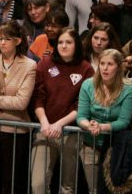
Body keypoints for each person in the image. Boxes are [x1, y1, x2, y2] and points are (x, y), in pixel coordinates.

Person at [30, 27, 94, 194]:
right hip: (44, 130)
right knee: (38, 184)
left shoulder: (86, 69)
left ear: (77, 45)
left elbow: (82, 105)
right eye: (60, 42)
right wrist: (45, 123)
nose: (63, 46)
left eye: (68, 42)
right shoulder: (44, 64)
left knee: (67, 186)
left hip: (71, 133)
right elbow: (38, 97)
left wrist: (59, 124)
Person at [0, 21, 36, 194]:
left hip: (15, 128)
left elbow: (21, 102)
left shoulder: (29, 65)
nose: (1, 42)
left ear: (18, 41)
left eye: (6, 39)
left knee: (10, 180)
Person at [76, 49, 132, 192]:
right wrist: (89, 125)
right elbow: (81, 116)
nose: (105, 68)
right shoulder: (88, 85)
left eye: (110, 64)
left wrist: (101, 127)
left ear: (119, 67)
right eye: (102, 63)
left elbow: (124, 121)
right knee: (94, 190)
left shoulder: (128, 89)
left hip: (115, 148)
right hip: (91, 145)